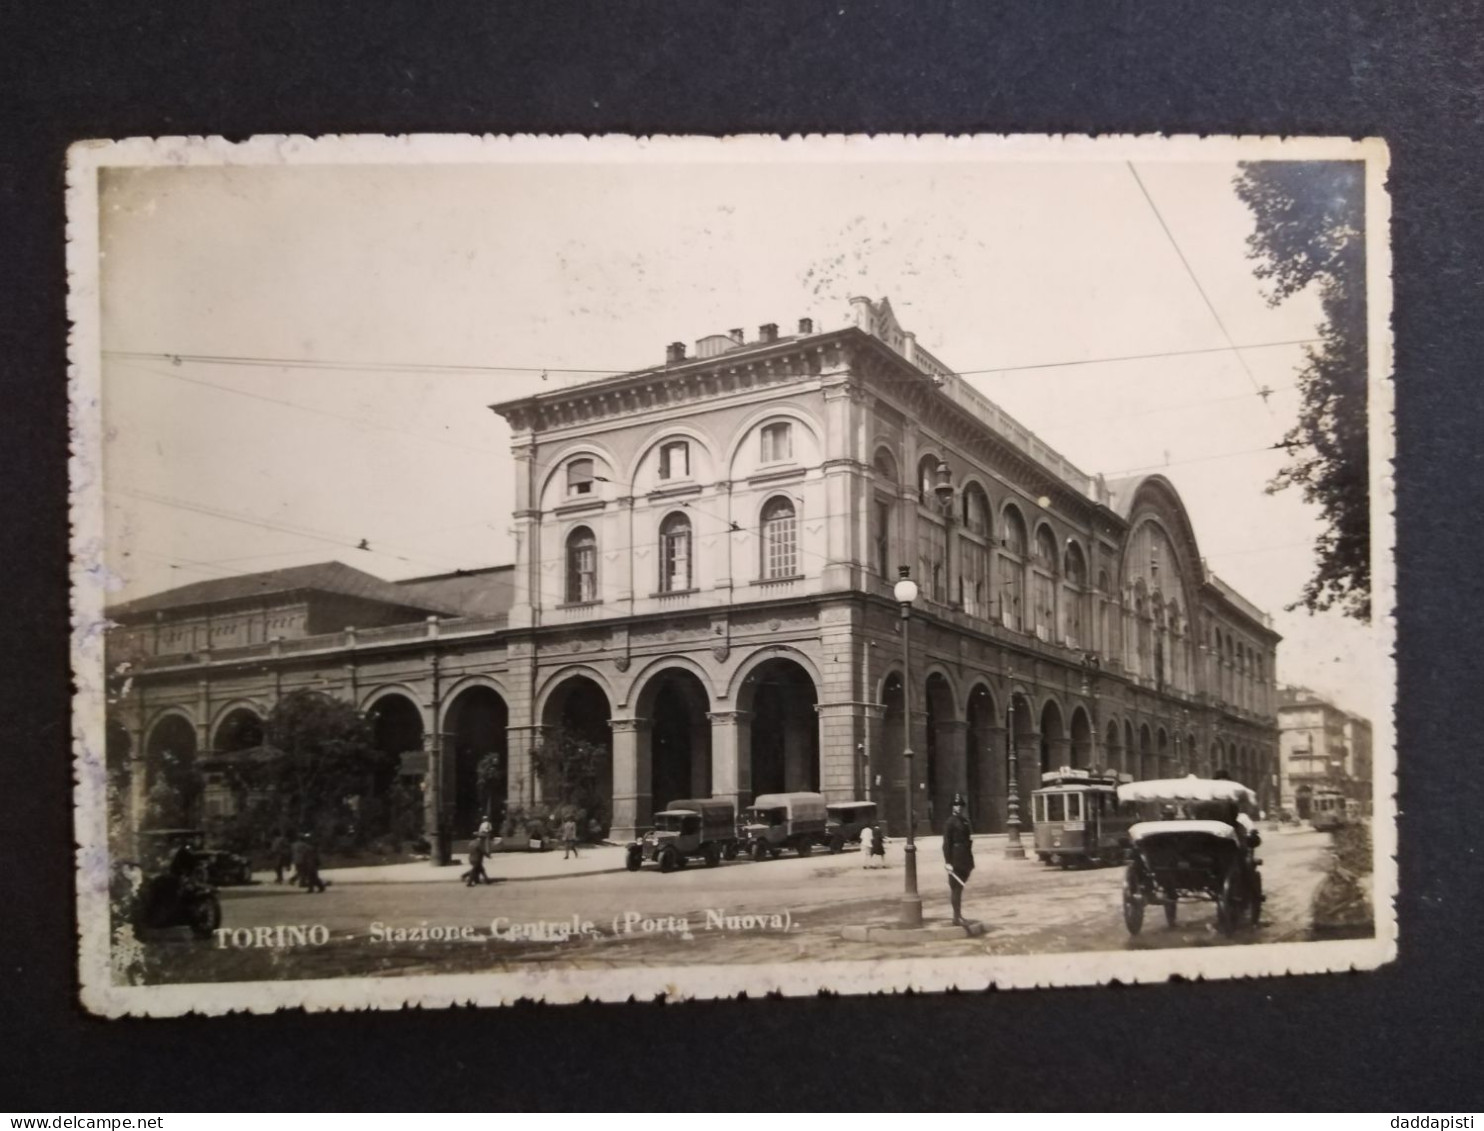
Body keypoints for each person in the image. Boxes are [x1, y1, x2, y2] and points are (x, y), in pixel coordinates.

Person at [942, 794, 975, 927]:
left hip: (965, 859)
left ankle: (958, 916)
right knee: (956, 889)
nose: (959, 807)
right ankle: (957, 917)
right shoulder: (950, 822)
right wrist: (948, 862)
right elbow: (946, 844)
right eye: (956, 805)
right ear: (952, 807)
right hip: (955, 859)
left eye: (960, 805)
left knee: (959, 888)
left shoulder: (965, 821)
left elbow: (968, 841)